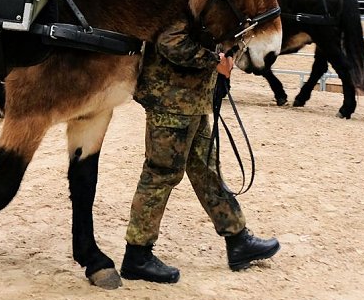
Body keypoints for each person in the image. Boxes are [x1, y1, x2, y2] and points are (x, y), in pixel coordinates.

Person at [120, 17, 280, 283]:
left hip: (192, 101)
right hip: (170, 101)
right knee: (160, 174)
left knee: (208, 170)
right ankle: (137, 254)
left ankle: (237, 239)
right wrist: (213, 60)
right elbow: (170, 42)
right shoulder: (178, 0)